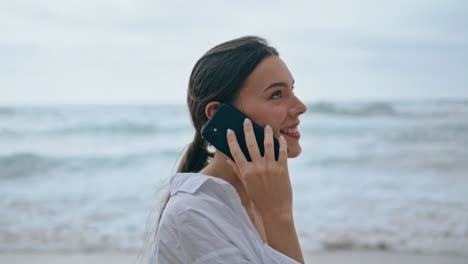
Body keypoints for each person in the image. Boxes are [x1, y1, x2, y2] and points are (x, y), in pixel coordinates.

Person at [149, 35, 307, 263]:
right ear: (219, 116)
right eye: (276, 94)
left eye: (291, 90)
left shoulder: (257, 199)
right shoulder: (193, 215)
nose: (300, 107)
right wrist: (279, 217)